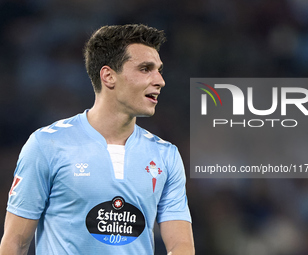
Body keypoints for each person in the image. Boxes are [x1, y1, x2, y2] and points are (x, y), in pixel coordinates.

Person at [0, 24, 194, 255]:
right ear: (108, 76)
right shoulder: (47, 145)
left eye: (159, 70)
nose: (160, 80)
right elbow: (15, 243)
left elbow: (180, 245)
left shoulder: (165, 154)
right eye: (145, 69)